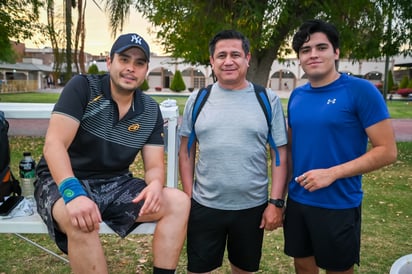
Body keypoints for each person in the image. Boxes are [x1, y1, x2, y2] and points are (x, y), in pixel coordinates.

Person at [34, 33, 190, 274]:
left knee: (178, 202)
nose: (131, 68)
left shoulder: (149, 110)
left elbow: (154, 166)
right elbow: (54, 145)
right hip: (62, 180)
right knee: (80, 221)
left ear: (146, 70)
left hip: (114, 183)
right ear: (109, 62)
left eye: (139, 63)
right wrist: (73, 194)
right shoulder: (83, 87)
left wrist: (156, 184)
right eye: (124, 59)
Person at [284, 19, 397, 274]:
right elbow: (291, 150)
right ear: (299, 58)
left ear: (336, 52)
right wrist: (280, 198)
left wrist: (331, 173)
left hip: (339, 203)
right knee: (302, 265)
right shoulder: (297, 95)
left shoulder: (361, 91)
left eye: (321, 47)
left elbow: (387, 151)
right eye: (305, 50)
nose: (313, 54)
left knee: (338, 270)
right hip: (299, 201)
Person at [179, 29, 288, 274]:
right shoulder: (198, 99)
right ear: (212, 61)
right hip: (205, 205)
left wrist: (276, 202)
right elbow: (186, 150)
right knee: (199, 269)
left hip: (252, 207)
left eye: (236, 54)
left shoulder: (266, 99)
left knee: (243, 269)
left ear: (247, 59)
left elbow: (279, 155)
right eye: (221, 55)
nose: (228, 61)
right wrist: (188, 197)